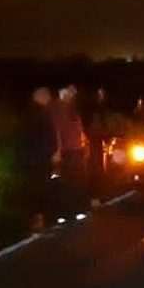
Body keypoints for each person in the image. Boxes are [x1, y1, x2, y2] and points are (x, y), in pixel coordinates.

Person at [21, 87, 58, 232]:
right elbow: (39, 137)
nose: (49, 99)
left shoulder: (37, 113)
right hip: (38, 159)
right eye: (47, 96)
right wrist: (50, 151)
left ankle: (41, 219)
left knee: (41, 190)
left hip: (38, 158)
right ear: (40, 97)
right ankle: (38, 221)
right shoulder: (37, 114)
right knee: (39, 190)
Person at [51, 84, 90, 223]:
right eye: (70, 93)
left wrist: (84, 145)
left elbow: (78, 129)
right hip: (67, 151)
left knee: (77, 181)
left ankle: (77, 210)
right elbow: (57, 131)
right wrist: (57, 151)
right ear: (64, 93)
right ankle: (66, 213)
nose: (73, 96)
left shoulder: (71, 109)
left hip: (76, 150)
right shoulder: (59, 109)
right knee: (67, 183)